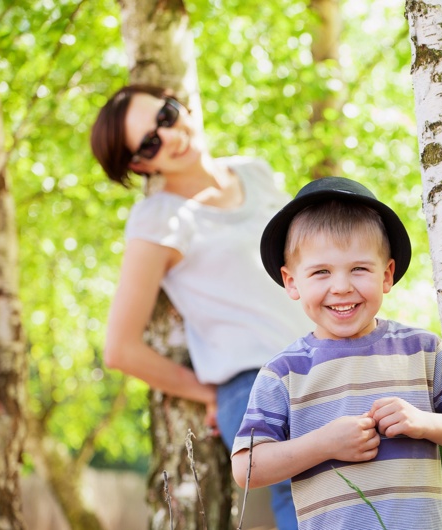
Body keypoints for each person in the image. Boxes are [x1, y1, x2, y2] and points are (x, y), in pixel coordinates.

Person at [90, 84, 312, 530]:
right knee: (312, 500)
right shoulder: (159, 219)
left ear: (180, 105)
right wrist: (212, 393)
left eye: (166, 116)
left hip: (326, 358)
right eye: (149, 143)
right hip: (257, 385)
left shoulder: (255, 173)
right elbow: (120, 349)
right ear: (139, 164)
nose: (169, 137)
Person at [231, 176, 442, 529]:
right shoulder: (284, 372)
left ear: (387, 274)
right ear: (292, 282)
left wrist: (424, 422)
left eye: (359, 269)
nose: (341, 287)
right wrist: (323, 444)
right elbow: (246, 469)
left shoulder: (423, 350)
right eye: (321, 272)